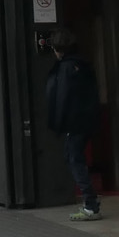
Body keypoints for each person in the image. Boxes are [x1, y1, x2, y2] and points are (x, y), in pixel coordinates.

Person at [46, 29, 104, 221]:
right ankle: (91, 201)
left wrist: (59, 123)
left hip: (74, 122)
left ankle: (90, 204)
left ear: (58, 49)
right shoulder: (82, 64)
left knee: (74, 158)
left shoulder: (66, 68)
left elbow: (62, 97)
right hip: (86, 119)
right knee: (72, 156)